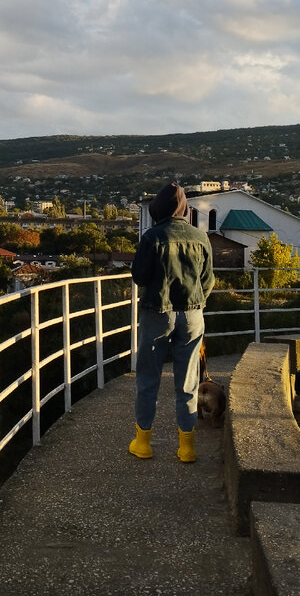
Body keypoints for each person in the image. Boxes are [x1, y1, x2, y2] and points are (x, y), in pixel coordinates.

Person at [128, 182, 214, 463]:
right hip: (192, 316)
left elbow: (139, 277)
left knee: (148, 379)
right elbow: (208, 282)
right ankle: (186, 448)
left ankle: (143, 443)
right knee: (188, 382)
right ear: (184, 208)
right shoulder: (201, 237)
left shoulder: (152, 237)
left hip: (157, 313)